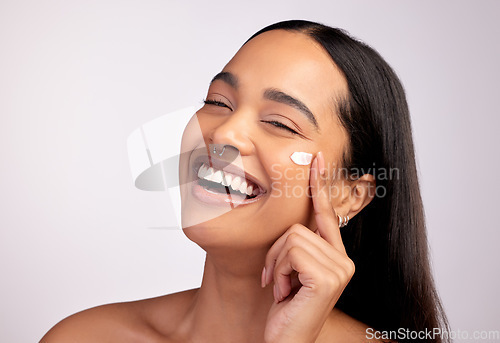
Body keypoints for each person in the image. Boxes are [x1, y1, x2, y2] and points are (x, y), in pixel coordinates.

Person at [41, 20, 449, 343]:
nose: (223, 134)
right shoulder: (82, 337)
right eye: (217, 102)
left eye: (278, 122)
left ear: (349, 195)